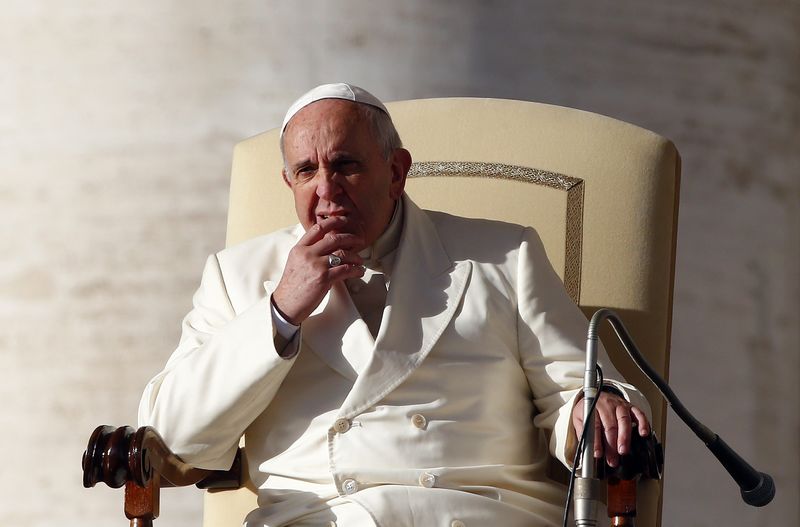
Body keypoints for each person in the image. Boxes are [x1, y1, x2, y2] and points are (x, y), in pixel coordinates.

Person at [139, 83, 651, 527]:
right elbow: (173, 439)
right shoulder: (236, 277)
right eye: (305, 171)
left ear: (396, 171)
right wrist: (279, 312)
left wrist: (592, 408)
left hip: (483, 515)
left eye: (345, 165)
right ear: (288, 183)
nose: (326, 190)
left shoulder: (504, 256)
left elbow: (576, 386)